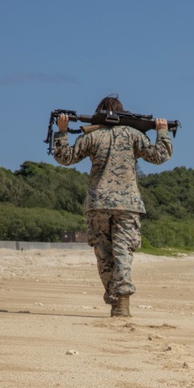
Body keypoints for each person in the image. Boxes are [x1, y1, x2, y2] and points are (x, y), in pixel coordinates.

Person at [52, 95, 172, 317]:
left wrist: (62, 131)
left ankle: (115, 301)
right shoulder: (133, 135)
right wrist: (162, 132)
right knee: (122, 251)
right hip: (127, 204)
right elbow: (159, 156)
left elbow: (65, 157)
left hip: (98, 203)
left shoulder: (93, 136)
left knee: (104, 254)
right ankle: (123, 301)